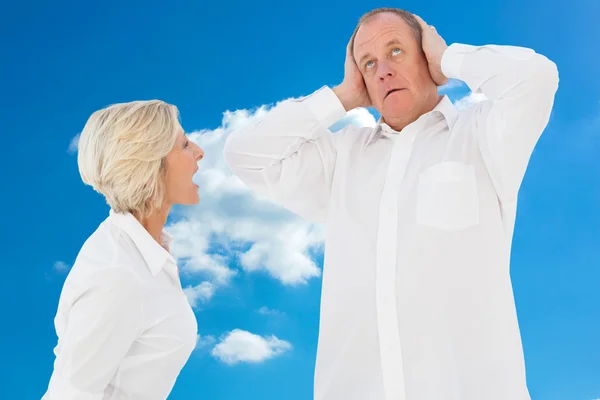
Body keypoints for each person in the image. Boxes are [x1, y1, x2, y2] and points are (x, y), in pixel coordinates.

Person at [224, 7, 558, 400]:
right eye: (369, 63)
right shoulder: (341, 158)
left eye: (396, 51)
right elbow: (244, 154)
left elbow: (537, 77)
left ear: (425, 54)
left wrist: (448, 58)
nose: (382, 70)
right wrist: (343, 96)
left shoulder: (482, 135)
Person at [43, 100, 204, 399]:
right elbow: (71, 393)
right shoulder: (118, 276)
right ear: (149, 164)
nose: (199, 151)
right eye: (183, 144)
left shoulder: (148, 250)